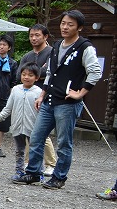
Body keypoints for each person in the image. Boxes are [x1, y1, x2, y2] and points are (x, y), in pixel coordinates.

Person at [15, 10, 102, 189]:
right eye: (63, 23)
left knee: (63, 142)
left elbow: (96, 71)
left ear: (79, 27)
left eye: (70, 24)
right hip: (49, 100)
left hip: (68, 103)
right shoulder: (56, 46)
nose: (65, 27)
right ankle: (33, 173)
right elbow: (49, 73)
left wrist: (80, 93)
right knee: (36, 137)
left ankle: (59, 177)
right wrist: (42, 95)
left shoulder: (85, 47)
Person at [0, 64, 43, 181]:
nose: (26, 77)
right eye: (24, 74)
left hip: (33, 127)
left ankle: (38, 173)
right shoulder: (15, 89)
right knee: (19, 150)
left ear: (36, 77)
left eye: (30, 75)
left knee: (35, 150)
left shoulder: (39, 92)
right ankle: (19, 171)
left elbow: (42, 112)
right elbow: (8, 108)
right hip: (17, 126)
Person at [17, 24, 57, 175]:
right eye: (31, 35)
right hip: (28, 94)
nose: (33, 38)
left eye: (37, 35)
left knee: (40, 130)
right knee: (28, 129)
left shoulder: (52, 52)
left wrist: (35, 74)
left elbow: (50, 73)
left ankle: (51, 163)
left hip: (46, 95)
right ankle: (29, 162)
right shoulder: (27, 55)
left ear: (45, 36)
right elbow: (19, 73)